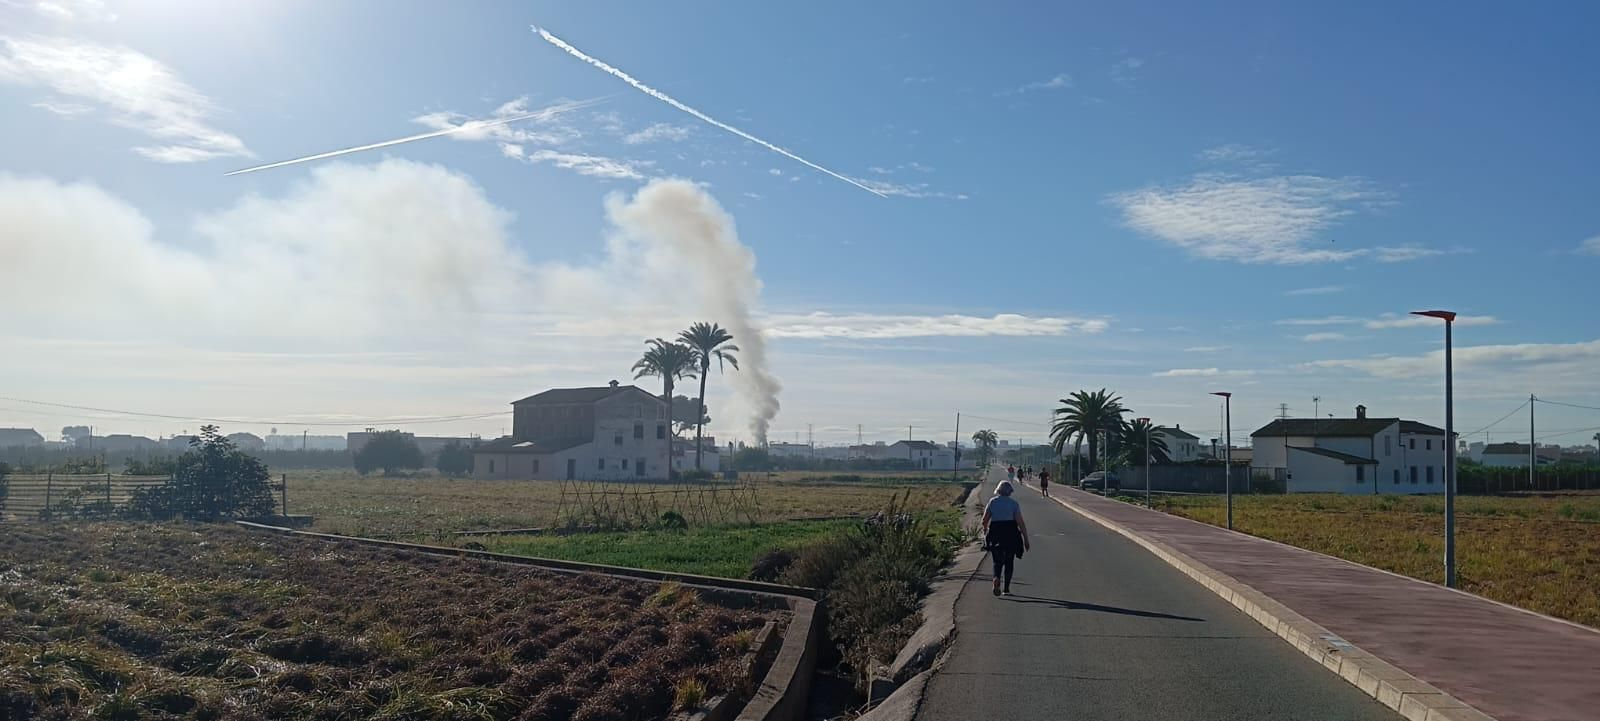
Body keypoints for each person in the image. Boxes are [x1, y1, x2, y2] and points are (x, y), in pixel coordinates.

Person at [982, 480, 1030, 596]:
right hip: (1011, 534)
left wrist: (985, 531)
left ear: (998, 491)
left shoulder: (992, 502)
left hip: (996, 533)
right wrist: (1026, 539)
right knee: (1009, 561)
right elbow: (1020, 523)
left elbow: (985, 520)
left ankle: (996, 578)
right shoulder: (1013, 504)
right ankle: (1006, 588)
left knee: (997, 561)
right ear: (1010, 492)